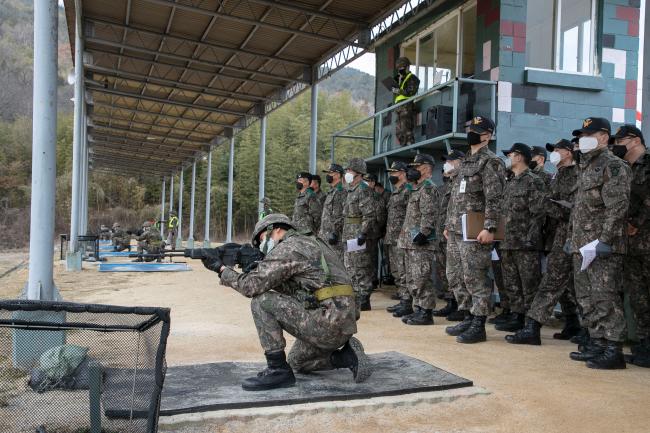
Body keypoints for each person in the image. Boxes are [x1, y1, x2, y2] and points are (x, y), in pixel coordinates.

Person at [202, 213, 371, 390]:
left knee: (262, 301)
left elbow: (251, 287)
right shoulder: (311, 242)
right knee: (297, 362)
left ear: (276, 229)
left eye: (263, 239)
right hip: (340, 322)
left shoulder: (289, 247)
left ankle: (277, 371)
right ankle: (346, 357)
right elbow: (300, 290)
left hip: (328, 323)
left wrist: (221, 269)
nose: (264, 245)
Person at [568, 117, 630, 369]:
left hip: (602, 246)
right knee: (585, 297)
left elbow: (618, 206)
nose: (583, 139)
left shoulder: (613, 165)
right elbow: (580, 208)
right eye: (582, 135)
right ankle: (597, 343)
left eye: (589, 134)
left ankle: (613, 349)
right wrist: (571, 240)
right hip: (581, 246)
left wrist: (605, 240)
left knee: (605, 298)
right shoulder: (584, 165)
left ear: (604, 137)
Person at [506, 139, 579, 345]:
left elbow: (571, 209)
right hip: (557, 236)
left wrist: (547, 205)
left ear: (569, 152)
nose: (554, 153)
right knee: (554, 283)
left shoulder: (577, 174)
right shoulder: (558, 175)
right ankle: (535, 327)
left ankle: (585, 329)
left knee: (577, 286)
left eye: (558, 150)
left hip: (575, 234)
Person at [444, 116, 506, 343]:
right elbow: (456, 197)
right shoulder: (466, 162)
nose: (470, 132)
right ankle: (468, 315)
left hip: (475, 229)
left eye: (476, 130)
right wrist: (447, 225)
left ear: (487, 135)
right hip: (456, 229)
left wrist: (490, 227)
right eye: (469, 128)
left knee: (475, 276)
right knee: (456, 275)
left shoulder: (491, 162)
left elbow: (495, 198)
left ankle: (479, 323)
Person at [496, 143, 546, 333]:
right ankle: (517, 316)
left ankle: (531, 323)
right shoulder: (510, 182)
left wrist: (530, 239)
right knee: (512, 283)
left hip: (525, 244)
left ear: (519, 157)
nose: (508, 158)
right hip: (507, 242)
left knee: (529, 284)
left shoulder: (533, 181)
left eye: (510, 154)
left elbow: (538, 213)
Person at [611, 125, 650, 368]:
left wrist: (636, 222)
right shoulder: (625, 169)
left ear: (634, 141)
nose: (616, 145)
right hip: (631, 245)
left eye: (619, 140)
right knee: (639, 298)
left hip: (645, 238)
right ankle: (644, 347)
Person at [397, 154, 439, 325]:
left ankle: (426, 312)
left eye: (417, 166)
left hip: (421, 242)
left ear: (427, 168)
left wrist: (424, 232)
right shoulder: (417, 188)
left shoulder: (428, 188)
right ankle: (419, 309)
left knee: (421, 277)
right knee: (413, 278)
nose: (413, 170)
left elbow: (429, 213)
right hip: (410, 241)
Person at [432, 150, 464, 319]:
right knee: (445, 271)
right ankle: (451, 301)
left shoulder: (462, 182)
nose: (447, 164)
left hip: (456, 233)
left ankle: (460, 305)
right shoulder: (447, 185)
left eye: (451, 161)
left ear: (459, 161)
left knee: (457, 272)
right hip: (442, 234)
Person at [342, 158, 376, 311]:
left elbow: (369, 215)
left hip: (358, 233)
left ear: (359, 174)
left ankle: (364, 297)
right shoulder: (351, 189)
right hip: (349, 232)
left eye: (350, 171)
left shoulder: (364, 190)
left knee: (360, 265)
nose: (347, 173)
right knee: (350, 266)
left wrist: (363, 233)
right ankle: (355, 294)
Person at [383, 161, 413, 316]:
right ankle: (403, 300)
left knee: (403, 271)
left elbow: (411, 214)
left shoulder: (407, 190)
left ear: (402, 173)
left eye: (394, 172)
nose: (391, 175)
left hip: (402, 237)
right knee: (396, 271)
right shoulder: (395, 191)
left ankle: (408, 303)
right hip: (392, 238)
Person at [362, 173, 387, 292]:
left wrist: (376, 228)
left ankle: (372, 281)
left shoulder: (376, 197)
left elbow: (381, 217)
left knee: (371, 258)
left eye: (367, 180)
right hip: (360, 232)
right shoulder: (361, 194)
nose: (365, 183)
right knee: (360, 258)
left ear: (372, 183)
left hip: (372, 233)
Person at [318, 163, 347, 258]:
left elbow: (343, 214)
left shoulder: (341, 191)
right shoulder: (332, 191)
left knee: (337, 266)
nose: (328, 175)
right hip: (325, 237)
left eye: (331, 173)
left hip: (335, 239)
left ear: (338, 175)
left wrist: (334, 232)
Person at [392, 57, 420, 146]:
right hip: (398, 107)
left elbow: (410, 92)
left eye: (402, 68)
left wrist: (398, 90)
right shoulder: (399, 79)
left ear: (407, 67)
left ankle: (410, 145)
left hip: (406, 106)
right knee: (398, 131)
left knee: (406, 128)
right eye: (399, 68)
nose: (400, 70)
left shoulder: (413, 78)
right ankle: (403, 145)